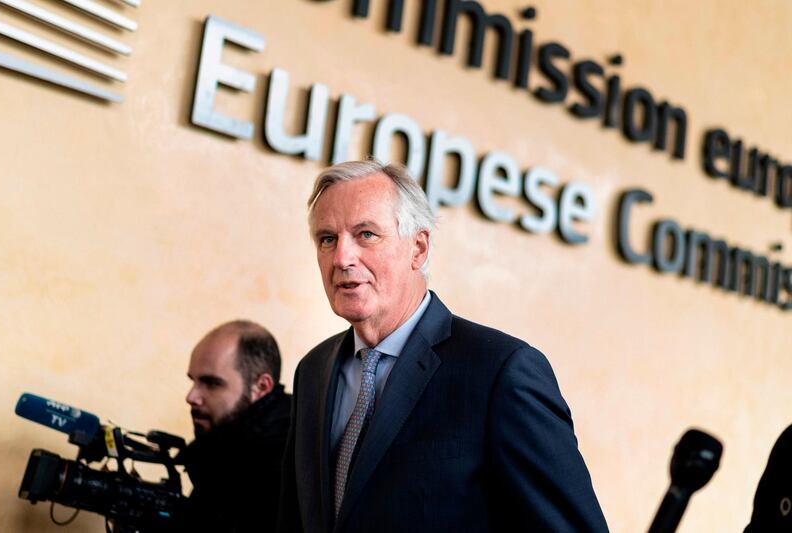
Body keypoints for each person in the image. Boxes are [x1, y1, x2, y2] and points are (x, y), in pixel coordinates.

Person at [278, 159, 608, 532]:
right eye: (328, 239)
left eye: (366, 234)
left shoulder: (500, 371)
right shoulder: (314, 371)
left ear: (418, 248)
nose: (342, 257)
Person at [180, 320, 291, 533]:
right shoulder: (223, 449)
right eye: (193, 381)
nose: (191, 397)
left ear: (261, 386)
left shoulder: (281, 463)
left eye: (211, 383)